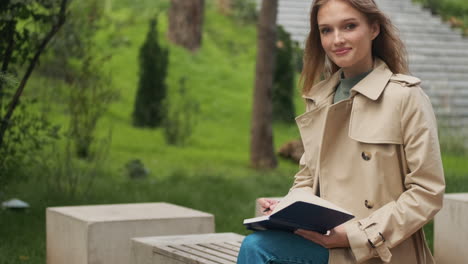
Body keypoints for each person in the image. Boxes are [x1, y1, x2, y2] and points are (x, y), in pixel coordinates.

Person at [237, 0, 446, 263]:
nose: (337, 39)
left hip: (378, 249)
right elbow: (308, 178)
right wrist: (288, 208)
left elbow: (426, 193)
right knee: (257, 245)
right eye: (326, 30)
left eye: (349, 26)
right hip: (324, 242)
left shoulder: (406, 98)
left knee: (258, 249)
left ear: (374, 28)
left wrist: (354, 235)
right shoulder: (321, 99)